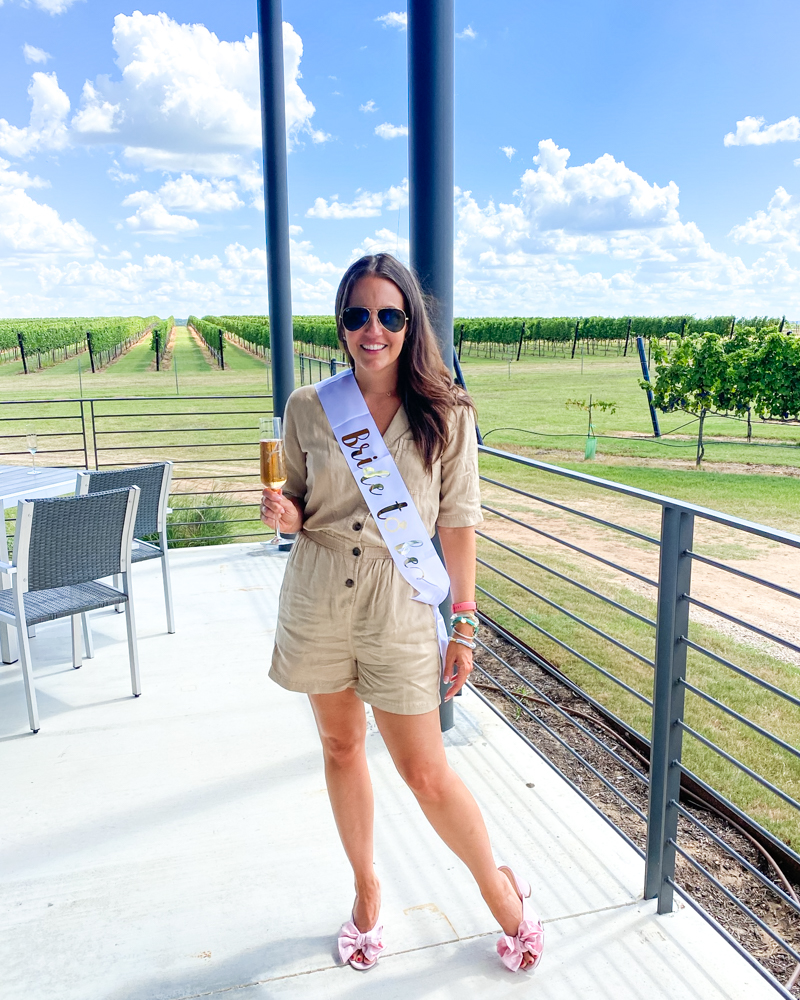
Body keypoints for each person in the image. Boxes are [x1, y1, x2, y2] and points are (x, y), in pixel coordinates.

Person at [260, 253, 543, 973]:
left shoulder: (446, 412)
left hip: (401, 604)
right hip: (320, 592)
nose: (372, 329)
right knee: (341, 748)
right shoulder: (308, 406)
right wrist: (284, 513)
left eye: (389, 314)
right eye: (357, 315)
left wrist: (468, 623)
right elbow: (298, 502)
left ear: (410, 322)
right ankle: (366, 891)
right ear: (342, 325)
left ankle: (503, 898)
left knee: (426, 771)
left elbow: (459, 524)